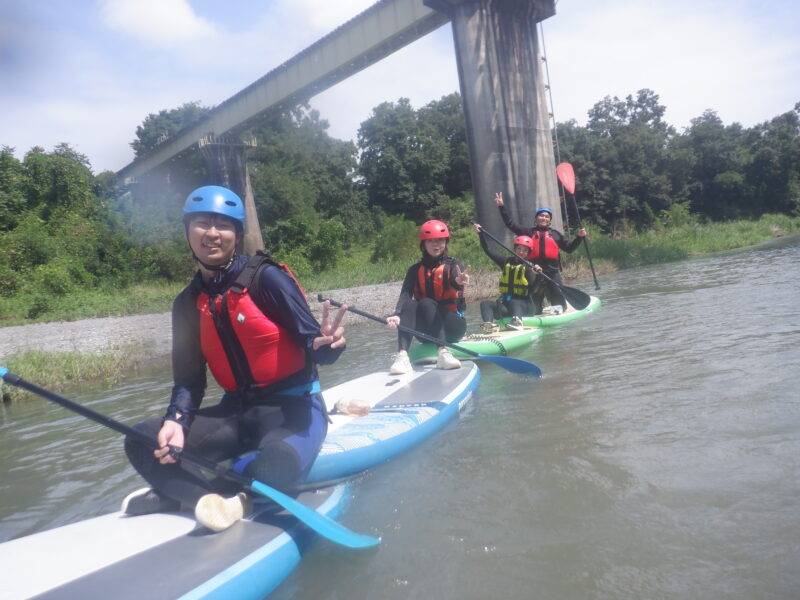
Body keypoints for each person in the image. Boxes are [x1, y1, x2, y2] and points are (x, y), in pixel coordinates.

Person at [122, 185, 347, 533]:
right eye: (202, 223)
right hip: (235, 414)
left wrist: (330, 345)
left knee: (276, 461)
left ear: (238, 234)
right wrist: (176, 422)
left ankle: (186, 491)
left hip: (293, 410)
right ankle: (205, 498)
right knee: (141, 438)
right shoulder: (186, 304)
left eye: (223, 225)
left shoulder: (266, 279)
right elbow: (189, 380)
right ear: (187, 231)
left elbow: (313, 343)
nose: (212, 233)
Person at [385, 219, 470, 375]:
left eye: (439, 240)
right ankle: (402, 356)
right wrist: (397, 315)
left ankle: (443, 353)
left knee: (426, 303)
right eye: (430, 241)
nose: (435, 245)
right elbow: (405, 295)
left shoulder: (453, 266)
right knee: (410, 305)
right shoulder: (414, 270)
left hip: (453, 327)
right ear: (423, 244)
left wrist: (458, 282)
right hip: (428, 333)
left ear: (446, 242)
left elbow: (455, 281)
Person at [494, 192, 586, 313]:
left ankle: (557, 310)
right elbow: (510, 224)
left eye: (547, 216)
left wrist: (579, 237)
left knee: (560, 305)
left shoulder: (556, 235)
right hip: (533, 274)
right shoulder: (527, 231)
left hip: (552, 274)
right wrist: (501, 207)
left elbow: (569, 249)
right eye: (541, 215)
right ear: (536, 218)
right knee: (535, 307)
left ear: (550, 220)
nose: (544, 218)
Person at [472, 222, 539, 332]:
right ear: (515, 249)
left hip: (525, 307)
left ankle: (518, 322)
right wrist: (481, 234)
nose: (521, 252)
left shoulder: (529, 267)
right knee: (485, 304)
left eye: (525, 250)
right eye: (519, 249)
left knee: (514, 300)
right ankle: (489, 325)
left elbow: (533, 290)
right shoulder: (506, 261)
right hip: (507, 307)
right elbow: (489, 251)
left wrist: (538, 277)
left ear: (528, 253)